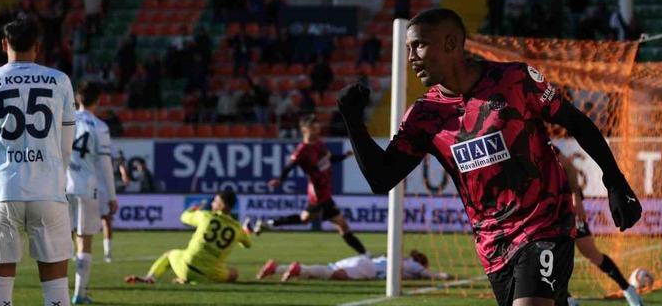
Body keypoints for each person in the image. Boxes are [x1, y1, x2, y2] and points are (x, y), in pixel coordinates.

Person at [335, 8, 641, 306]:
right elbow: (381, 178)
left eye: (419, 45)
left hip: (545, 226)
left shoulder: (515, 80)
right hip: (493, 247)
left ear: (451, 44)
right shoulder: (424, 116)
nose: (411, 57)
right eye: (408, 48)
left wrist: (614, 180)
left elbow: (577, 122)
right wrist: (352, 120)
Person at [0, 14, 77, 306]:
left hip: (2, 191)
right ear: (37, 46)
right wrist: (58, 181)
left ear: (4, 43)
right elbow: (65, 146)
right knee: (57, 291)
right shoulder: (59, 80)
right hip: (48, 190)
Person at [259, 115, 367, 256]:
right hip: (319, 194)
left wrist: (345, 155)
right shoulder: (302, 150)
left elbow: (330, 159)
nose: (316, 131)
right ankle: (365, 254)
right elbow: (290, 166)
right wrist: (280, 179)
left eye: (317, 128)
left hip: (323, 192)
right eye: (313, 129)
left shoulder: (319, 144)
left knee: (306, 219)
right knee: (341, 224)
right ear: (304, 129)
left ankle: (268, 224)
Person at [556, 152, 643, 306]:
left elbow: (571, 169)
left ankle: (628, 289)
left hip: (568, 205)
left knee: (592, 253)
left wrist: (576, 198)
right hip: (547, 211)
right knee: (552, 257)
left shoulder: (544, 143)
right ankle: (567, 299)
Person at [124, 191, 251, 285]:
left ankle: (150, 277)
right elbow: (248, 244)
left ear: (221, 205)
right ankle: (191, 280)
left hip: (185, 268)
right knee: (234, 273)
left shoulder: (205, 216)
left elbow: (184, 217)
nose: (212, 203)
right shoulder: (238, 229)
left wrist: (195, 208)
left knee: (169, 255)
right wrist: (241, 235)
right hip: (212, 275)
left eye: (215, 201)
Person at [66, 82, 118, 304]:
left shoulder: (63, 120)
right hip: (87, 188)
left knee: (59, 241)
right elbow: (105, 165)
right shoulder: (100, 127)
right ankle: (79, 293)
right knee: (84, 241)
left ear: (77, 98)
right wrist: (113, 196)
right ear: (98, 101)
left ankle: (55, 292)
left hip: (62, 187)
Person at [257, 249, 449, 282]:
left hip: (363, 261)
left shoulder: (400, 259)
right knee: (333, 275)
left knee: (328, 272)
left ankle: (277, 268)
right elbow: (428, 274)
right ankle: (299, 269)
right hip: (367, 269)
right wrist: (445, 277)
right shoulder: (413, 265)